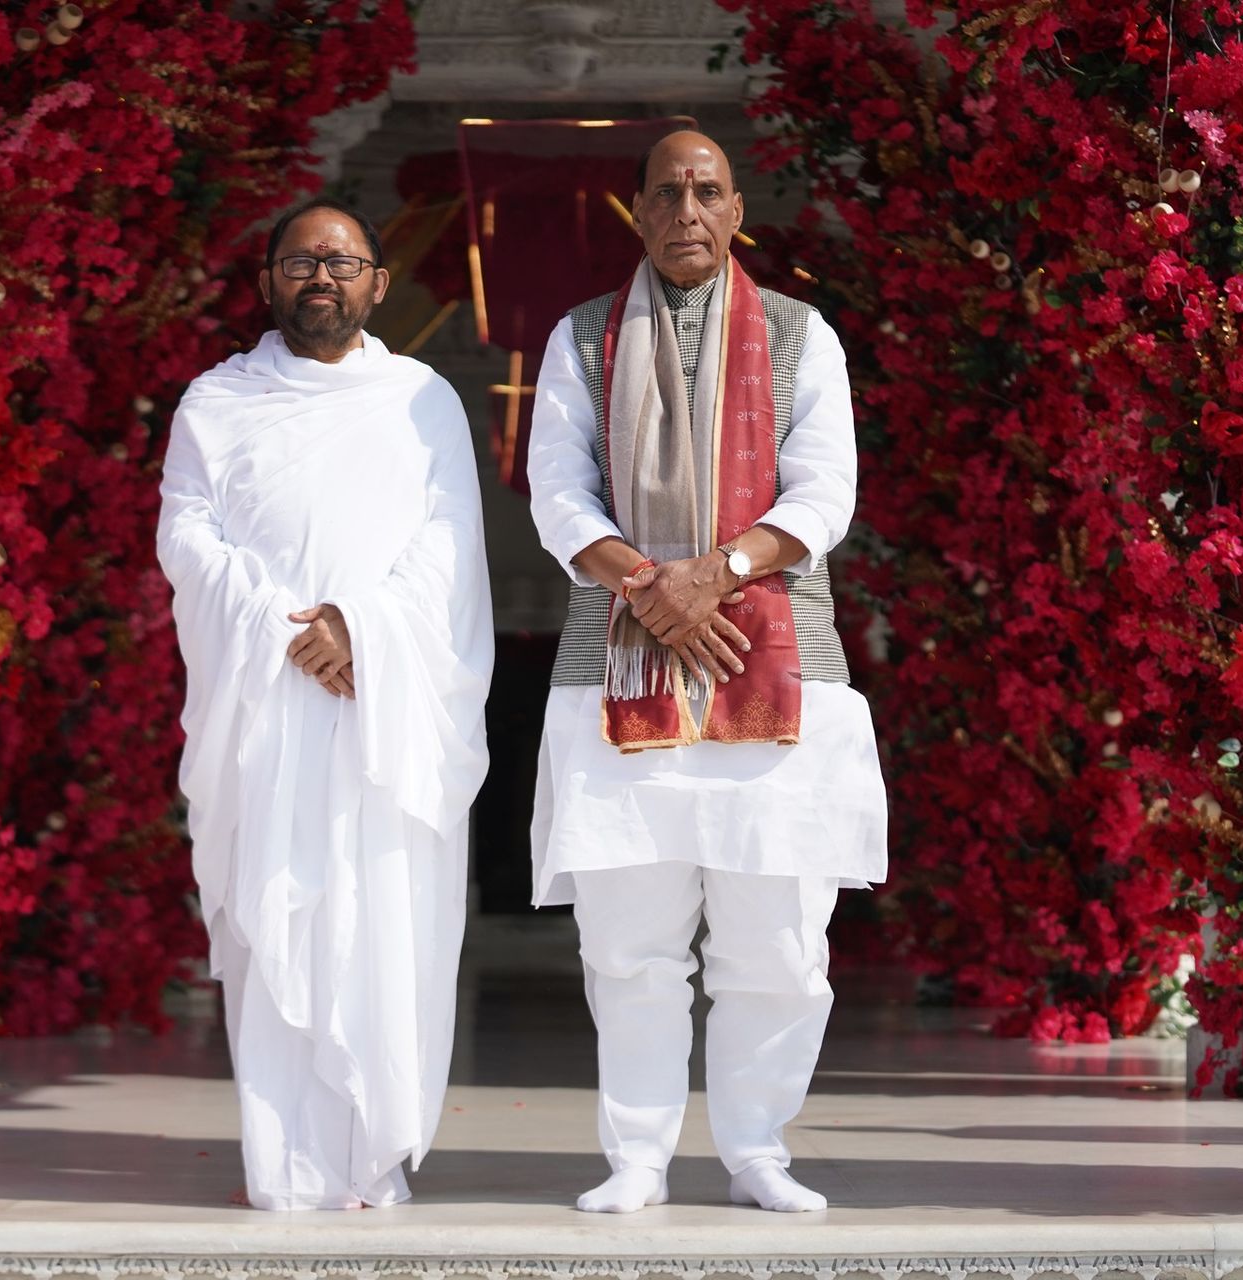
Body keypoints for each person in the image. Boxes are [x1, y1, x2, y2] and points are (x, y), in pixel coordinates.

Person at [526, 130, 888, 1214]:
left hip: (776, 665)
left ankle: (756, 1149)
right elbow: (557, 494)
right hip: (620, 661)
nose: (687, 209)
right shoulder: (581, 336)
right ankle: (637, 1156)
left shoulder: (801, 334)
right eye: (668, 192)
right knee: (628, 943)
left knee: (776, 941)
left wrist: (712, 575)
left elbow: (824, 494)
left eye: (707, 191)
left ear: (736, 212)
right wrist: (652, 587)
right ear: (638, 210)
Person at [158, 197, 493, 1211]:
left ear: (378, 284)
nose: (321, 278)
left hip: (384, 711)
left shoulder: (421, 400)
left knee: (378, 920)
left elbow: (450, 541)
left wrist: (360, 627)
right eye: (302, 261)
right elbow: (187, 534)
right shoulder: (217, 401)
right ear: (268, 280)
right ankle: (286, 1166)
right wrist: (279, 627)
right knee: (278, 921)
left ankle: (370, 1156)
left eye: (343, 263)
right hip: (264, 705)